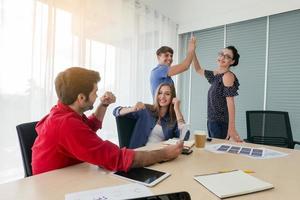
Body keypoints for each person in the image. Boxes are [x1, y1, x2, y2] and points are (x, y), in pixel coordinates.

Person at [31, 67, 183, 175]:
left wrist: (103, 105)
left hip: (72, 174)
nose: (97, 95)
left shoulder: (64, 111)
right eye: (95, 92)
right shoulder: (66, 124)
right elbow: (115, 158)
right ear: (81, 98)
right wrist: (164, 154)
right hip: (53, 187)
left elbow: (89, 127)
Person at [113, 83, 189, 148]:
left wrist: (177, 109)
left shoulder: (173, 119)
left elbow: (185, 137)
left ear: (172, 98)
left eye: (167, 94)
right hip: (139, 154)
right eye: (160, 93)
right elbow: (116, 111)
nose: (162, 97)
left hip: (160, 156)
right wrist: (132, 109)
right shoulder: (146, 110)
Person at [193, 46, 242, 142]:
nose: (222, 58)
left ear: (232, 62)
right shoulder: (216, 75)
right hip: (212, 121)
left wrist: (231, 128)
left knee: (218, 153)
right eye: (221, 54)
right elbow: (198, 69)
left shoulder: (227, 76)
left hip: (220, 123)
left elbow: (230, 103)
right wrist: (192, 52)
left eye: (227, 56)